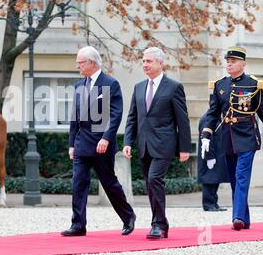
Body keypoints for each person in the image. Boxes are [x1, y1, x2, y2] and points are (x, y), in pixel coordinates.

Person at [62, 46, 136, 237]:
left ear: (92, 63)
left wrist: (105, 138)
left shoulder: (110, 84)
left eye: (80, 63)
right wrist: (71, 144)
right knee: (78, 183)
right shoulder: (79, 85)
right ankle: (78, 225)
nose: (77, 66)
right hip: (81, 144)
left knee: (109, 183)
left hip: (102, 145)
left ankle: (128, 217)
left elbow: (115, 114)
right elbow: (74, 117)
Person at [200, 46, 263, 230]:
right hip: (227, 138)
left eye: (233, 61)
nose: (229, 64)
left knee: (241, 176)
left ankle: (238, 217)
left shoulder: (253, 84)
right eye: (228, 61)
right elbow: (213, 113)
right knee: (234, 179)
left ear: (243, 64)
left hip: (248, 137)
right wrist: (206, 135)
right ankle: (245, 219)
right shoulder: (220, 85)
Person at [123, 47, 191, 239]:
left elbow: (182, 120)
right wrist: (128, 141)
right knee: (150, 184)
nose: (145, 65)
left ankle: (158, 224)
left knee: (154, 179)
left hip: (164, 144)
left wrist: (184, 148)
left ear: (160, 63)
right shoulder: (138, 87)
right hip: (144, 145)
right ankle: (161, 223)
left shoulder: (173, 87)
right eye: (143, 61)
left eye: (149, 61)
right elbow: (132, 118)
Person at [197, 110, 229, 212]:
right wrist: (209, 156)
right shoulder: (208, 118)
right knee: (209, 180)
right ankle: (208, 204)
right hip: (210, 155)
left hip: (217, 154)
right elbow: (206, 138)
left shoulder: (216, 117)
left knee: (215, 180)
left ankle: (214, 203)